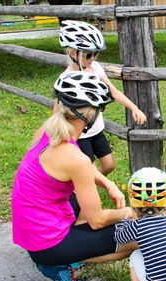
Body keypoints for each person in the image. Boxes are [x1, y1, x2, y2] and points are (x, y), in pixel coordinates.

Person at [11, 71, 138, 281]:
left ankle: (69, 251)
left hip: (32, 232)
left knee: (77, 196)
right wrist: (127, 213)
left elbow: (78, 165)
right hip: (46, 246)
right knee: (137, 238)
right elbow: (97, 221)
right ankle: (59, 264)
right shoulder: (75, 159)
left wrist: (107, 183)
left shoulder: (48, 130)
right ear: (89, 115)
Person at [55, 20, 147, 175]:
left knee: (109, 165)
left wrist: (134, 108)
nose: (92, 58)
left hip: (96, 130)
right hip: (79, 135)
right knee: (86, 170)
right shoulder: (66, 80)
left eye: (95, 54)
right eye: (88, 54)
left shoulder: (95, 69)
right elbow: (56, 112)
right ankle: (82, 187)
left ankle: (84, 185)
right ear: (73, 53)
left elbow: (114, 91)